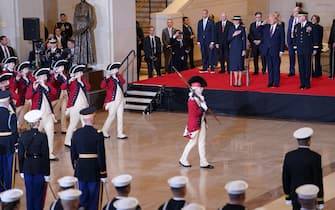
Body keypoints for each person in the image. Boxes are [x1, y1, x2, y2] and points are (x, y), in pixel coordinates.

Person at [71, 106, 107, 210]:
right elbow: (101, 155)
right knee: (94, 198)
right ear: (91, 119)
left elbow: (73, 154)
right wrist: (103, 173)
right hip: (94, 170)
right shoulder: (98, 134)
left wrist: (76, 168)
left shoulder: (76, 133)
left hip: (81, 169)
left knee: (82, 198)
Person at [282, 127, 324, 210]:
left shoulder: (289, 156)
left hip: (295, 194)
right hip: (310, 195)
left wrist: (287, 196)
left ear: (297, 141)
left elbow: (285, 177)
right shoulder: (315, 157)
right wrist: (320, 200)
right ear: (309, 141)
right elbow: (318, 180)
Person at [18, 109, 50, 210]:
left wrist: (21, 169)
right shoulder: (42, 136)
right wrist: (47, 173)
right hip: (39, 168)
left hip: (27, 167)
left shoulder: (23, 135)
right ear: (37, 122)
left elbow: (20, 154)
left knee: (29, 195)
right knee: (39, 196)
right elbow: (45, 156)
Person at [179, 76, 214, 169]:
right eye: (200, 88)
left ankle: (203, 162)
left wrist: (203, 105)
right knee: (192, 142)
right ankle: (183, 159)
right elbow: (195, 113)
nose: (202, 89)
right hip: (195, 123)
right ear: (196, 89)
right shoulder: (191, 100)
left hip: (201, 122)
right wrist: (203, 108)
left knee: (202, 142)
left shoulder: (199, 98)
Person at [26, 67, 58, 160]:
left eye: (44, 76)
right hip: (37, 117)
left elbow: (55, 92)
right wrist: (33, 89)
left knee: (50, 134)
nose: (44, 77)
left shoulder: (47, 85)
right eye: (42, 76)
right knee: (36, 136)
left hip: (48, 115)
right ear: (38, 77)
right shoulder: (33, 85)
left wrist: (45, 86)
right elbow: (28, 96)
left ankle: (50, 153)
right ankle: (36, 152)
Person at [62, 65, 91, 147]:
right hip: (74, 106)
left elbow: (88, 87)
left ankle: (86, 139)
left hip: (84, 104)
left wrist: (81, 80)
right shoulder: (71, 81)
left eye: (81, 72)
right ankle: (67, 141)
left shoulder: (83, 80)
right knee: (73, 124)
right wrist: (70, 81)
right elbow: (63, 87)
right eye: (78, 72)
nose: (80, 74)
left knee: (85, 123)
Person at [100, 62, 128, 140]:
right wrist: (107, 77)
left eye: (116, 68)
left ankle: (120, 132)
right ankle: (104, 130)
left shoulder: (118, 76)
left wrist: (117, 76)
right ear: (110, 70)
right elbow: (102, 86)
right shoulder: (108, 79)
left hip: (120, 99)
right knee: (111, 116)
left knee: (120, 116)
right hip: (112, 100)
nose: (116, 70)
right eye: (114, 69)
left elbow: (123, 82)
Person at [293, 11, 318, 89]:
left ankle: (307, 83)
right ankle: (302, 82)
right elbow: (295, 37)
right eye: (298, 17)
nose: (299, 18)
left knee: (307, 67)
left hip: (307, 49)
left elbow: (315, 37)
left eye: (300, 17)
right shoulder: (297, 26)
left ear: (304, 17)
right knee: (301, 67)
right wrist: (295, 47)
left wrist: (315, 48)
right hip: (300, 49)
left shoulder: (311, 25)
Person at [260, 13, 285, 88]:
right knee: (270, 67)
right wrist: (262, 24)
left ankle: (276, 82)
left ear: (275, 19)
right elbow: (258, 32)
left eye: (271, 19)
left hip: (276, 50)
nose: (269, 20)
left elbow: (282, 40)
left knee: (276, 67)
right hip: (267, 50)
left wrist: (281, 50)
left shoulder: (280, 28)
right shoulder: (266, 27)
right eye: (269, 19)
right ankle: (270, 82)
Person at [0, 91, 18, 192]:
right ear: (7, 101)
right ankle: (8, 192)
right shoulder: (11, 115)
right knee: (8, 170)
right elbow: (14, 132)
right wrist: (15, 144)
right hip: (8, 145)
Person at [50, 59, 69, 134]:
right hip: (55, 96)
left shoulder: (64, 74)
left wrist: (62, 75)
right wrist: (55, 75)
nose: (62, 68)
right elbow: (52, 83)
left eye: (62, 66)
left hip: (64, 95)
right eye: (60, 66)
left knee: (64, 111)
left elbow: (67, 82)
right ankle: (52, 128)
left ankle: (64, 128)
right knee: (53, 112)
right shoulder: (52, 75)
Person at [73, 0, 94, 65]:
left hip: (85, 28)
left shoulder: (89, 6)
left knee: (85, 45)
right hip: (78, 27)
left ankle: (85, 63)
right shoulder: (77, 6)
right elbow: (75, 18)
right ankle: (79, 62)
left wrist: (85, 28)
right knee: (78, 45)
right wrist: (76, 28)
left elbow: (91, 20)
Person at [14, 61, 33, 132]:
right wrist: (17, 79)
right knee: (21, 111)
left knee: (28, 110)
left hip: (29, 97)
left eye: (27, 68)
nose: (27, 70)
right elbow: (16, 86)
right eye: (25, 69)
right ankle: (19, 125)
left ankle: (27, 126)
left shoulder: (30, 77)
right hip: (21, 98)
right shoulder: (19, 78)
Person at [228, 16, 246, 87]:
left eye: (237, 20)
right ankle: (235, 80)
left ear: (239, 21)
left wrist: (244, 49)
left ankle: (239, 80)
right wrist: (233, 35)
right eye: (234, 20)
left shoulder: (242, 28)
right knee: (234, 65)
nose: (235, 21)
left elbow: (244, 39)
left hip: (240, 48)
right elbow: (228, 39)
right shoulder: (231, 28)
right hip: (233, 49)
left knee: (239, 65)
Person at [197, 9, 215, 73]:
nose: (204, 14)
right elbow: (198, 32)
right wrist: (198, 42)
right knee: (203, 54)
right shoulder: (200, 22)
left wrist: (212, 42)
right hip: (202, 41)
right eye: (203, 13)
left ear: (207, 14)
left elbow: (213, 32)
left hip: (209, 41)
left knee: (210, 54)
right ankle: (205, 68)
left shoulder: (211, 22)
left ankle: (212, 68)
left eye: (205, 13)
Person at [287, 7, 301, 77]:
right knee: (291, 56)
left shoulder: (301, 20)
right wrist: (288, 41)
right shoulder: (291, 19)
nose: (294, 13)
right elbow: (289, 30)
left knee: (300, 56)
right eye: (294, 11)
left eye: (296, 11)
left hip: (298, 41)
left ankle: (301, 71)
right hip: (291, 40)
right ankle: (292, 71)